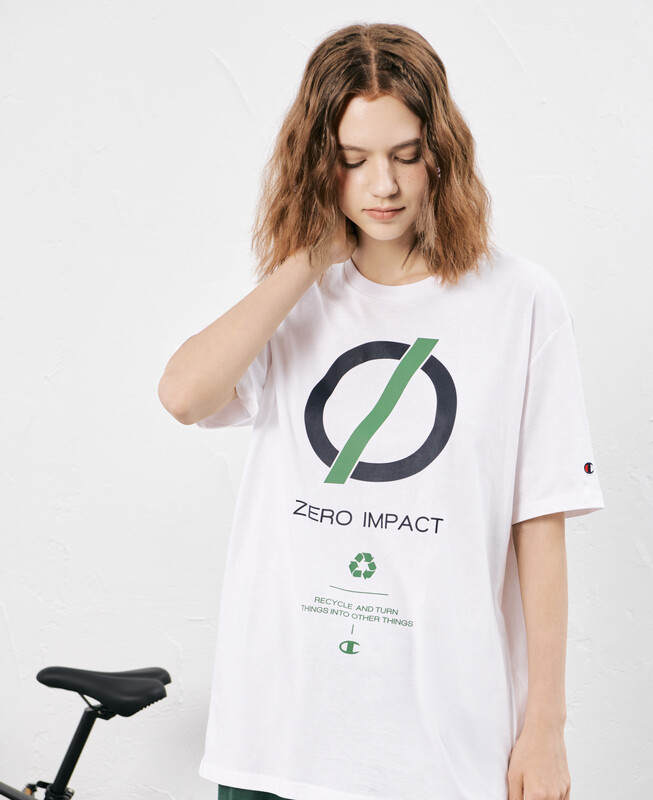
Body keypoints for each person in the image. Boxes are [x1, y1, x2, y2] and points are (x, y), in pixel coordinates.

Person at [159, 22, 604, 800]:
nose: (384, 186)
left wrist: (546, 725)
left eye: (405, 154)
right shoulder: (295, 299)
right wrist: (307, 260)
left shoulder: (519, 302)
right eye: (353, 160)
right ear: (317, 162)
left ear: (440, 151)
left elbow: (540, 522)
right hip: (276, 738)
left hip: (439, 749)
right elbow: (184, 396)